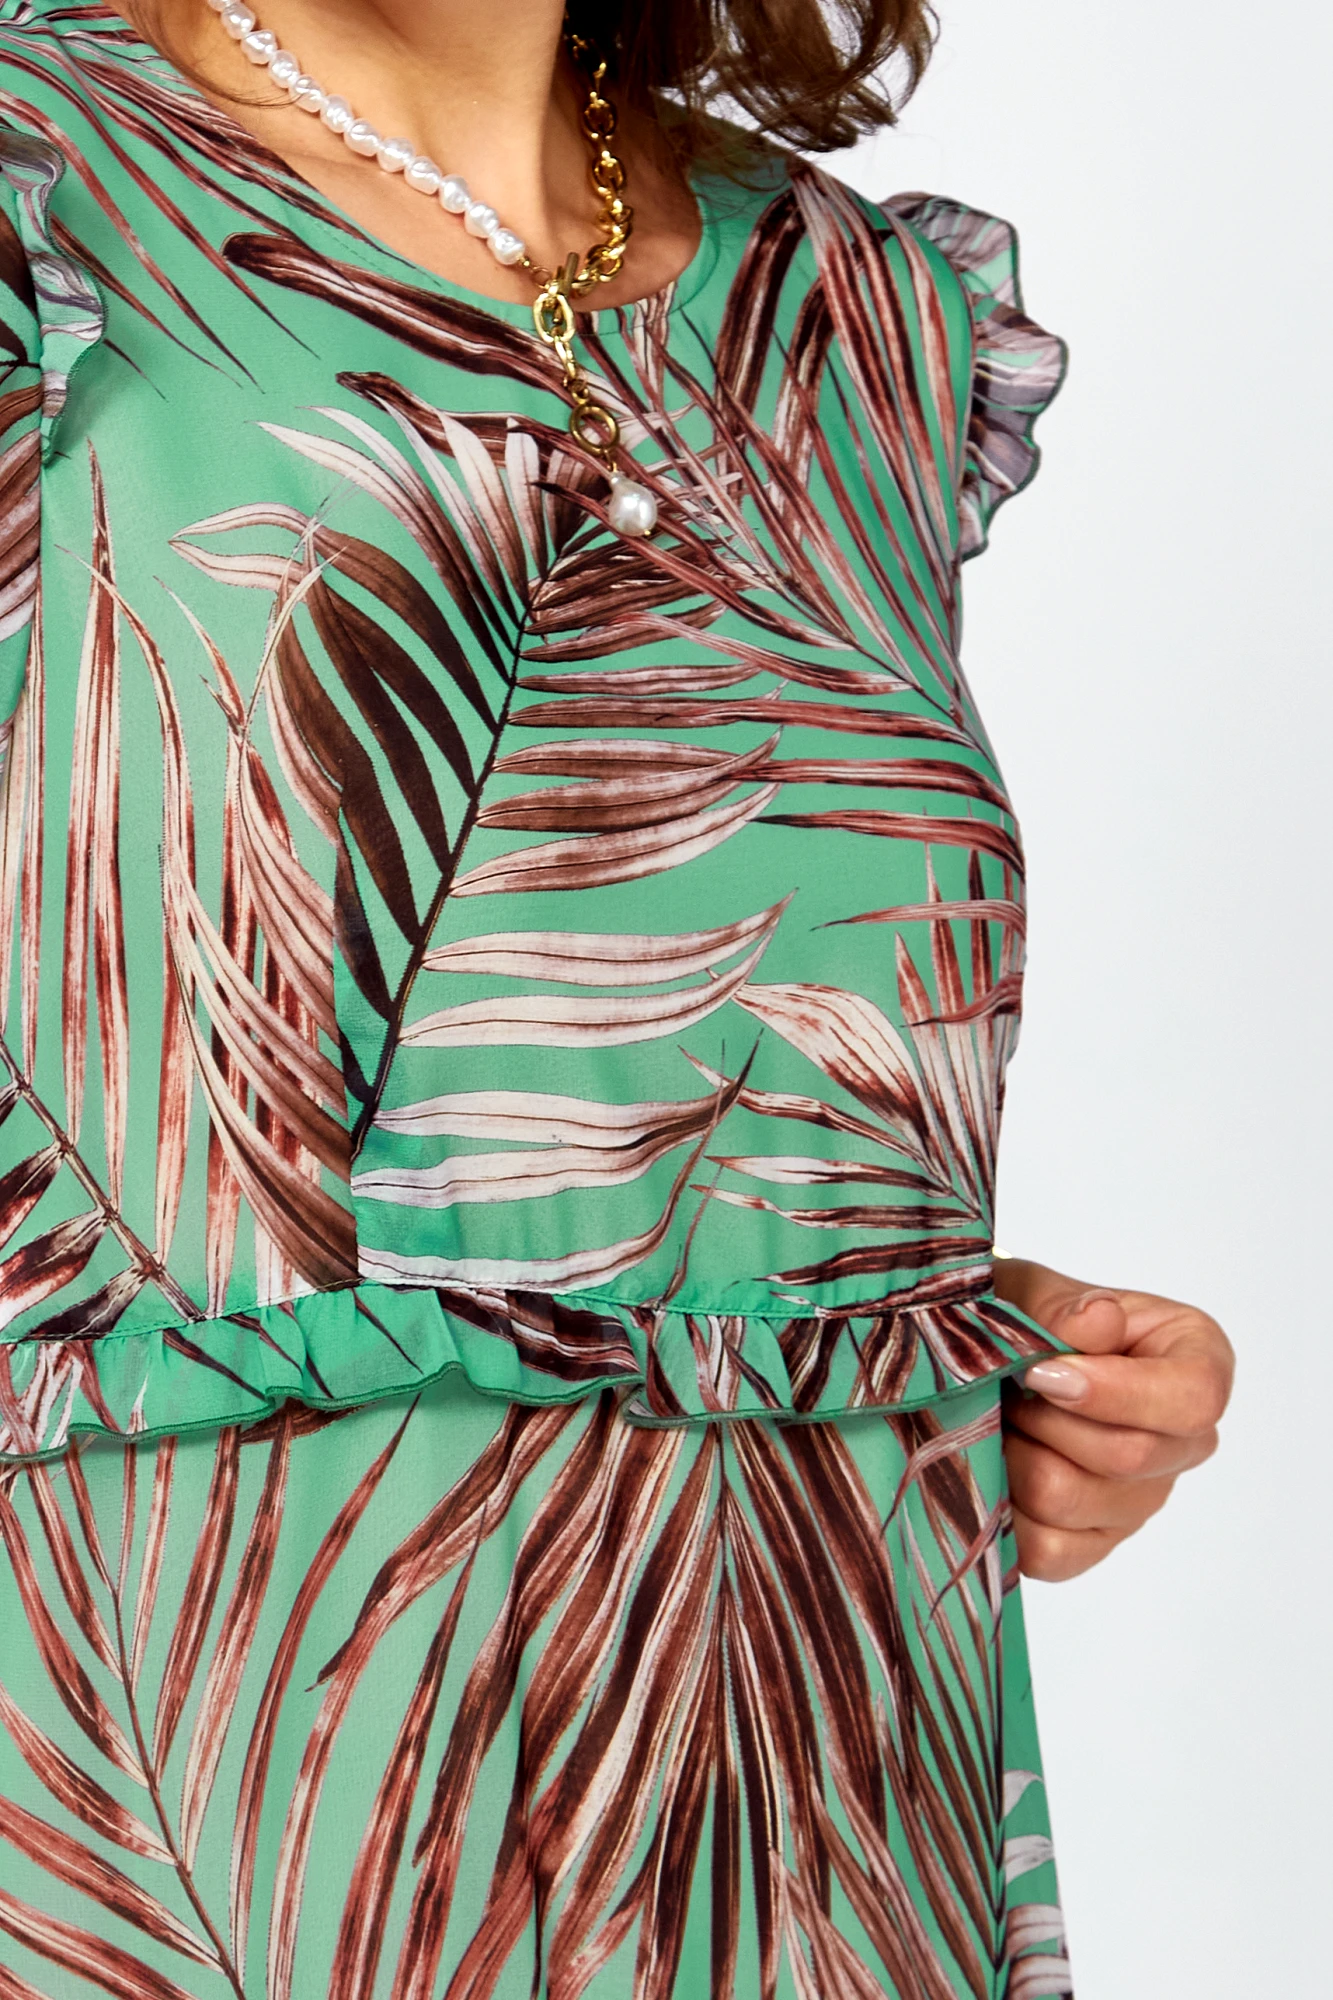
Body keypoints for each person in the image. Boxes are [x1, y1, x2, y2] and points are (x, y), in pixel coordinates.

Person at [0, 1, 1233, 1992]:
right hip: (220, 1771)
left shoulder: (851, 314)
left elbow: (633, 1020)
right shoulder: (40, 181)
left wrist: (950, 1331)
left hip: (812, 1781)